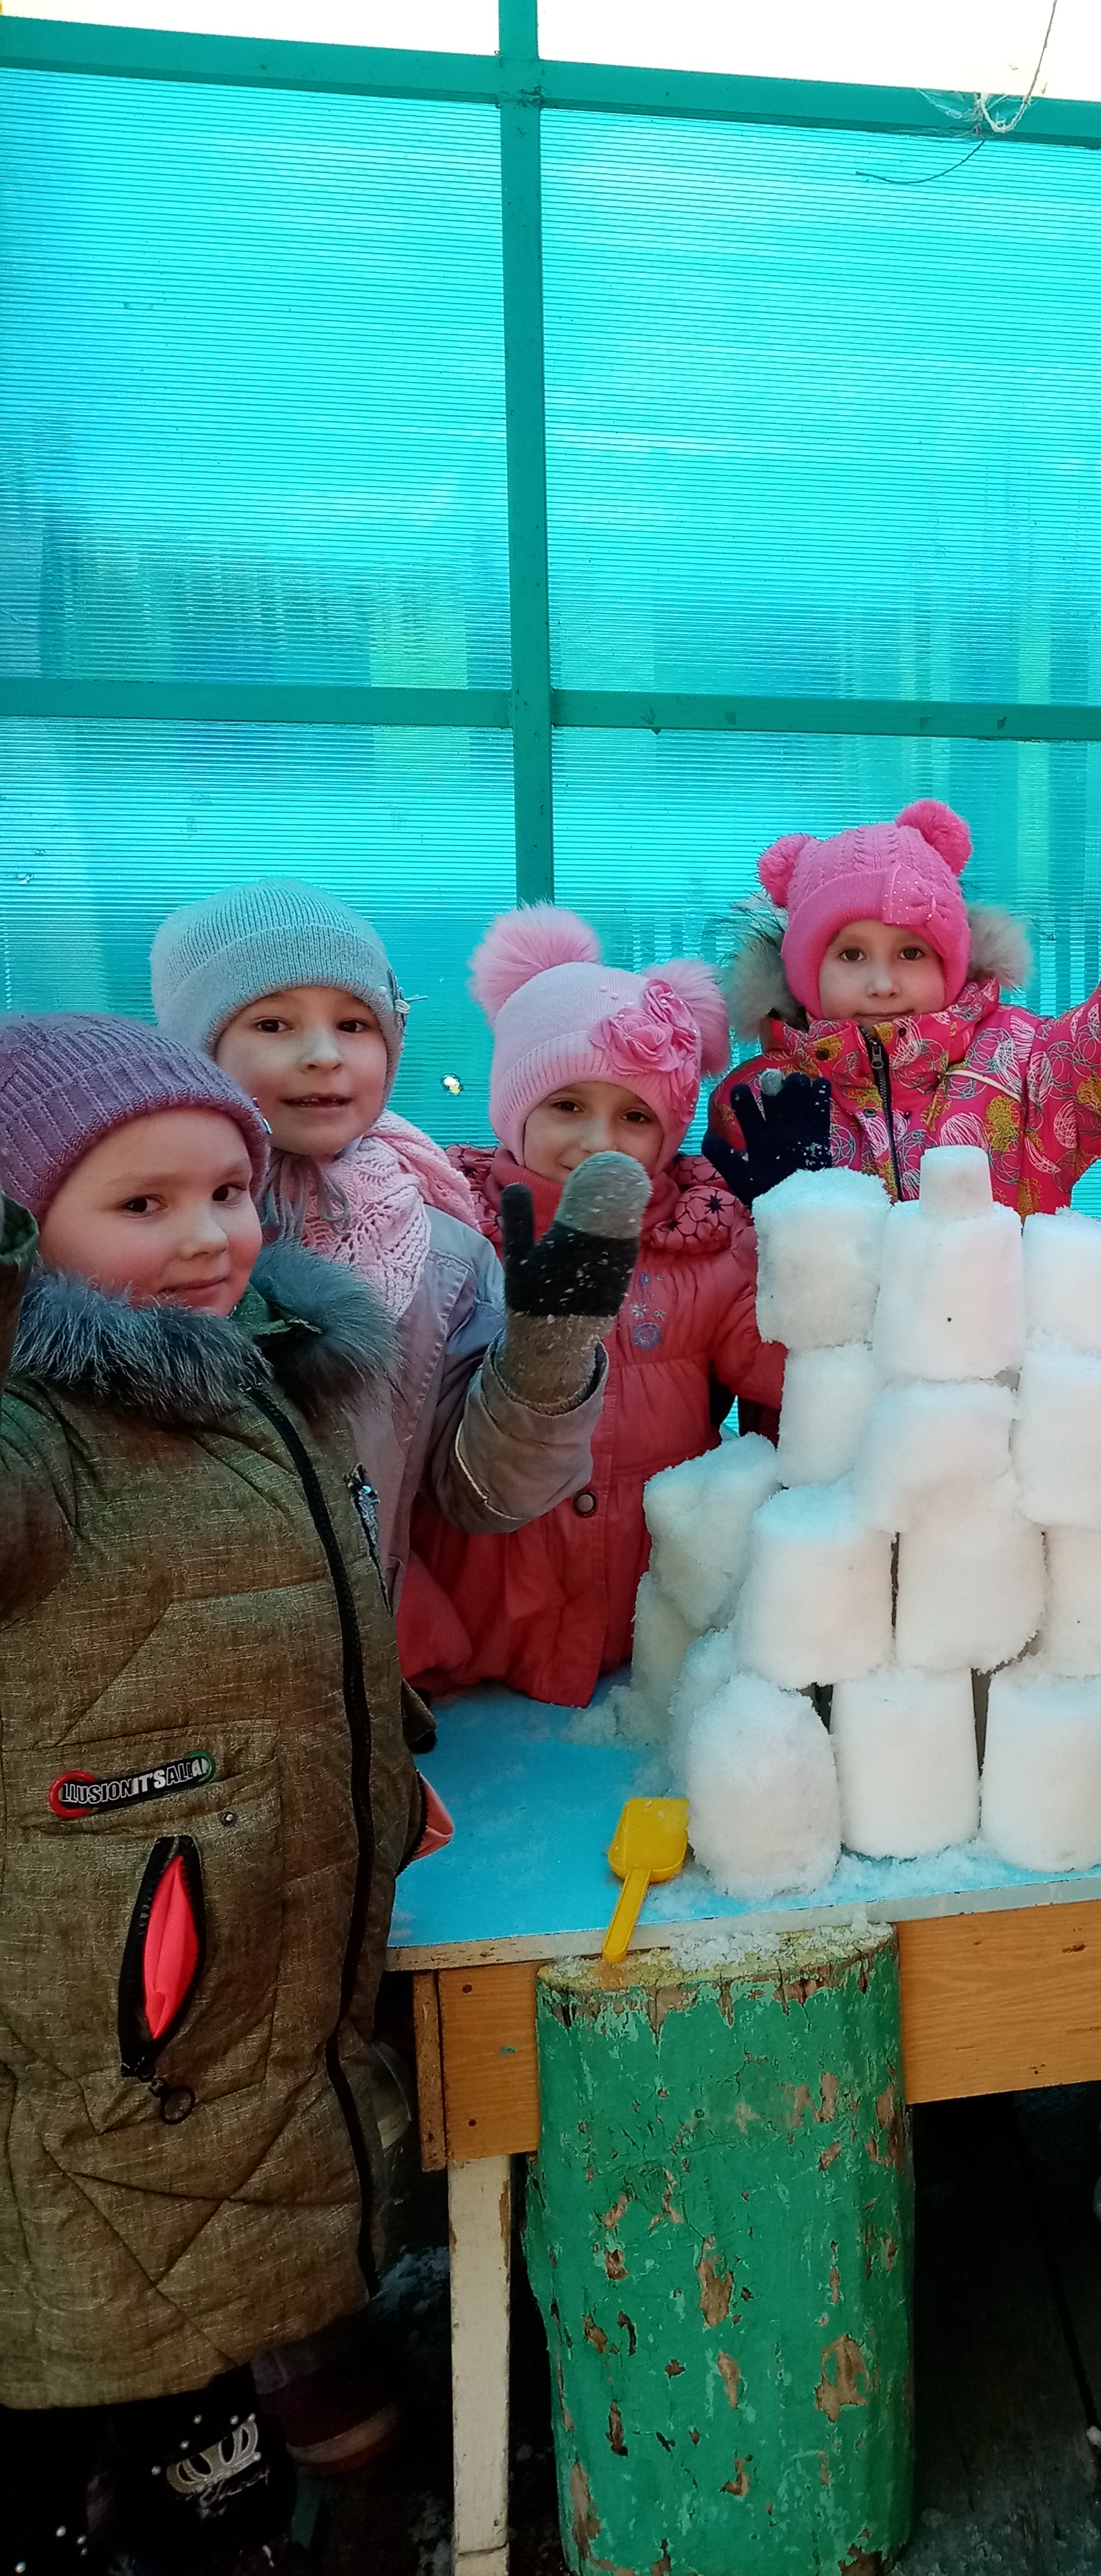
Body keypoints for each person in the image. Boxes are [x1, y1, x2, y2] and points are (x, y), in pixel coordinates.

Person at [0, 1016, 433, 2575]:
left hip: (259, 1920)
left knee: (241, 2235)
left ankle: (268, 2455)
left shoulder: (257, 1372)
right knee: (120, 2279)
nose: (207, 1238)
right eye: (143, 1204)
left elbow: (296, 1616)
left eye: (229, 1193)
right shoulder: (39, 1438)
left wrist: (385, 1757)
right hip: (124, 1978)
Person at [151, 882, 624, 1690]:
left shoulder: (442, 1250)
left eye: (353, 1023)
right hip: (154, 1680)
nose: (323, 1054)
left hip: (354, 1680)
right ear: (199, 1046)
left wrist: (545, 1361)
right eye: (273, 1023)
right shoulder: (131, 1227)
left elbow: (482, 1496)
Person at [412, 908, 784, 1709]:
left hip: (644, 1626)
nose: (598, 1138)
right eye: (568, 1105)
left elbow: (778, 1367)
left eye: (635, 1116)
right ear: (515, 1108)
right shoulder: (456, 1230)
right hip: (489, 1616)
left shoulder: (704, 1243)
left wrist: (791, 1227)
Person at [705, 736, 1101, 1222]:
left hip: (1013, 1303)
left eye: (911, 952)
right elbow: (719, 1257)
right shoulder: (762, 1096)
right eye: (851, 955)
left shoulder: (1027, 1065)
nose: (882, 983)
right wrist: (784, 1213)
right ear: (805, 971)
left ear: (951, 962)